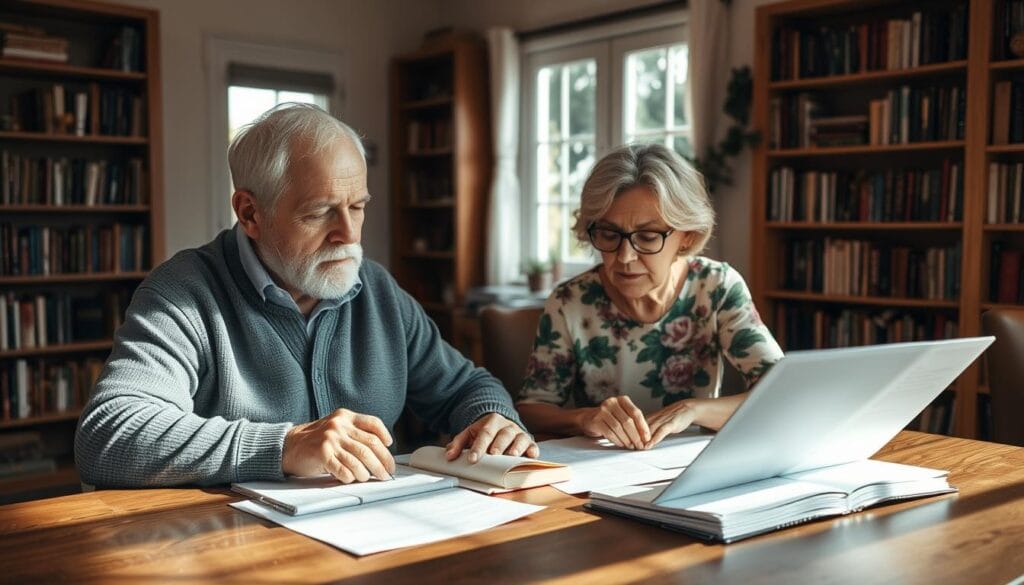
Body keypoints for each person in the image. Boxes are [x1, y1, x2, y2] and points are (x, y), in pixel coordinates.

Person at [75, 103, 536, 487]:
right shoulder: (184, 294)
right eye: (320, 213)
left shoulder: (376, 289)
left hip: (373, 540)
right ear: (250, 212)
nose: (349, 234)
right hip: (238, 550)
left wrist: (493, 419)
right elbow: (109, 432)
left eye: (358, 207)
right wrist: (283, 446)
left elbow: (467, 387)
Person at [515, 143, 783, 450]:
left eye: (647, 236)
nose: (625, 256)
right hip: (601, 471)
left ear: (687, 237)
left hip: (692, 463)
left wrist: (692, 409)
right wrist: (584, 419)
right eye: (609, 234)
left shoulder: (716, 287)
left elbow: (778, 392)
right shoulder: (570, 301)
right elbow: (531, 410)